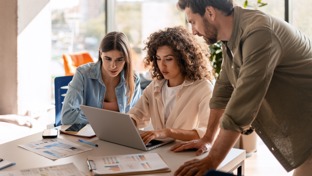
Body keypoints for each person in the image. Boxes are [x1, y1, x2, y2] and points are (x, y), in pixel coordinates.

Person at [172, 0, 312, 176]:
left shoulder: (259, 33)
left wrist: (211, 162)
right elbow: (223, 90)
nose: (193, 31)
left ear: (210, 13)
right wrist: (208, 138)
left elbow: (241, 107)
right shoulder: (231, 38)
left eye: (192, 21)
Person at [129, 26, 214, 144]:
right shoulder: (155, 86)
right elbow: (137, 115)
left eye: (168, 59)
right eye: (158, 59)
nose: (162, 65)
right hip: (160, 151)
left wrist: (168, 132)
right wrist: (127, 123)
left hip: (186, 152)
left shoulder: (203, 88)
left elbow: (206, 133)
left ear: (184, 59)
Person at [61, 31, 142, 125]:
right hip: (89, 135)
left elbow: (137, 118)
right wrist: (107, 122)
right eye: (108, 59)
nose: (113, 66)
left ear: (127, 58)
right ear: (100, 54)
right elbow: (67, 116)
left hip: (119, 136)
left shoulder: (134, 79)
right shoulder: (83, 74)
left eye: (120, 59)